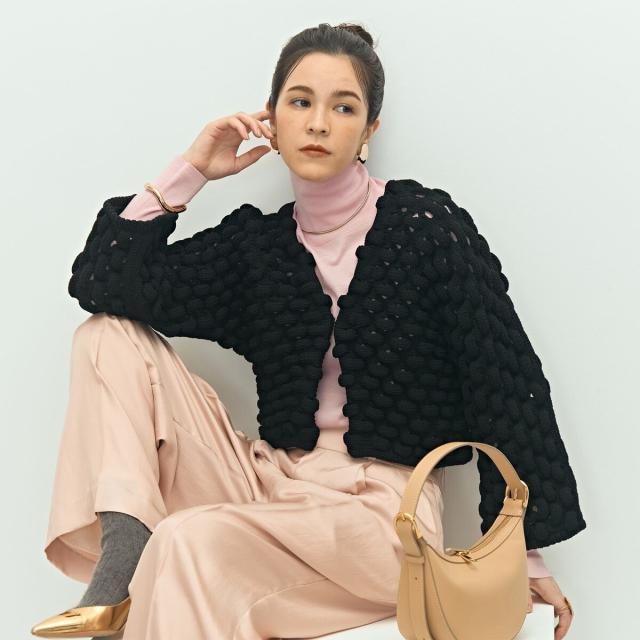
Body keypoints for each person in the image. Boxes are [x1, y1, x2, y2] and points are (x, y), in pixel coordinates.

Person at [31, 22, 580, 640]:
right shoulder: (259, 246)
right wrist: (192, 170)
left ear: (369, 131)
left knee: (189, 540)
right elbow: (104, 284)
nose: (318, 123)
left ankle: (144, 577)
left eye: (343, 108)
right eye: (300, 102)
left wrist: (525, 553)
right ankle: (124, 549)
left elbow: (505, 382)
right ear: (271, 119)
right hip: (275, 484)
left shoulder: (423, 227)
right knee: (105, 336)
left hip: (382, 515)